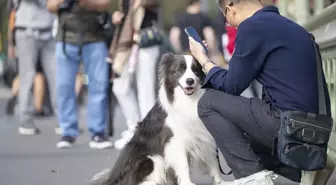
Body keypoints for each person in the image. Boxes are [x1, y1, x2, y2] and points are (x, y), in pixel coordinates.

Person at [188, 0, 333, 184]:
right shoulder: (292, 27)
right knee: (239, 141)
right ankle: (279, 174)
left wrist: (202, 59)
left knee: (207, 103)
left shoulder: (251, 27)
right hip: (314, 129)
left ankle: (254, 179)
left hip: (290, 126)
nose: (229, 24)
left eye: (225, 18)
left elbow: (232, 85)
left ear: (230, 9)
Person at [47, 0, 112, 149]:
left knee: (99, 85)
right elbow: (50, 6)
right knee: (64, 85)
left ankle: (98, 132)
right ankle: (68, 131)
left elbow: (106, 4)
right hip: (66, 38)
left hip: (95, 37)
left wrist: (86, 3)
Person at [110, 0, 160, 150]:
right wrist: (118, 15)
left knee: (145, 87)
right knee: (119, 86)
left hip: (145, 40)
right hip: (126, 42)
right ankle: (134, 126)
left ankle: (149, 134)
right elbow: (125, 10)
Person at [11, 0, 57, 135]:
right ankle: (25, 121)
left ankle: (65, 121)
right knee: (27, 77)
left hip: (48, 31)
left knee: (56, 77)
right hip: (27, 30)